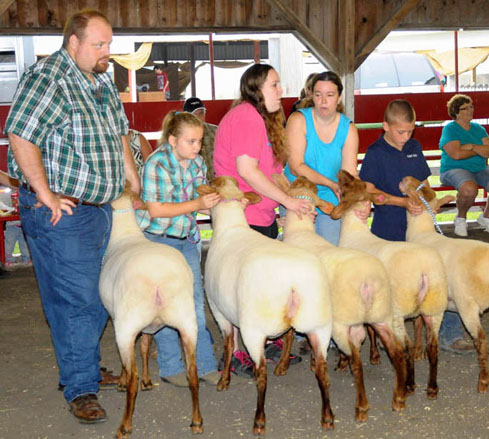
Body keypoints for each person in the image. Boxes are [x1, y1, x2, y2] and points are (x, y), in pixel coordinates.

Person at [4, 9, 140, 424]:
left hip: (98, 209)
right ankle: (81, 386)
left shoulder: (99, 80)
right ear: (73, 43)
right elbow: (20, 133)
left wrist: (132, 179)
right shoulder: (50, 79)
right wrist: (44, 194)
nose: (107, 52)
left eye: (109, 44)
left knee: (96, 293)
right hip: (62, 211)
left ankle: (82, 364)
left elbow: (119, 133)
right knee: (75, 300)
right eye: (99, 45)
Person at [214, 63, 310, 376]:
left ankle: (264, 342)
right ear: (256, 89)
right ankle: (240, 351)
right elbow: (247, 171)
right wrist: (288, 201)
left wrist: (295, 200)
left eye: (280, 84)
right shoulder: (245, 116)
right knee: (243, 286)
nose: (281, 90)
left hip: (261, 214)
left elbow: (272, 171)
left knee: (261, 284)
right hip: (243, 217)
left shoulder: (263, 120)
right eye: (274, 84)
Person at [359, 100, 474, 354]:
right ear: (385, 126)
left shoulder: (414, 146)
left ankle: (449, 332)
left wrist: (424, 197)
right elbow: (367, 190)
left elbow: (424, 183)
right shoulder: (375, 152)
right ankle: (391, 335)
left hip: (420, 229)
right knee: (389, 282)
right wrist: (401, 201)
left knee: (439, 273)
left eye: (410, 131)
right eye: (400, 132)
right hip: (388, 229)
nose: (405, 137)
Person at [136, 111, 221, 387]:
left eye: (198, 141)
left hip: (185, 237)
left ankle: (204, 364)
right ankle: (171, 366)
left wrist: (218, 197)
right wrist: (199, 204)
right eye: (191, 141)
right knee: (164, 302)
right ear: (173, 140)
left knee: (195, 300)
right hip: (157, 240)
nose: (197, 147)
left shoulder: (195, 162)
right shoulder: (157, 164)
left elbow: (199, 190)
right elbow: (157, 210)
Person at [285, 70, 359, 245]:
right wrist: (332, 184)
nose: (323, 101)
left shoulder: (348, 129)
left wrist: (358, 197)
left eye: (330, 95)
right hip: (300, 194)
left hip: (331, 197)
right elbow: (296, 166)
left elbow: (349, 173)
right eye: (318, 95)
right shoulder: (298, 120)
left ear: (339, 98)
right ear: (311, 95)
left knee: (331, 251)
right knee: (300, 251)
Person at [439, 94, 489, 237]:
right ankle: (461, 218)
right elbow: (456, 155)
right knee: (469, 188)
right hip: (453, 168)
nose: (470, 110)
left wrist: (471, 147)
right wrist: (479, 150)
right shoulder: (450, 128)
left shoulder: (478, 128)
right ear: (456, 112)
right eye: (465, 108)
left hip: (479, 169)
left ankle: (486, 216)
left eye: (471, 106)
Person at [183, 97, 217, 182]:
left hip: (217, 182)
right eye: (194, 114)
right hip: (194, 184)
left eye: (201, 113)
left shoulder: (216, 132)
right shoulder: (181, 137)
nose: (199, 117)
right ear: (186, 116)